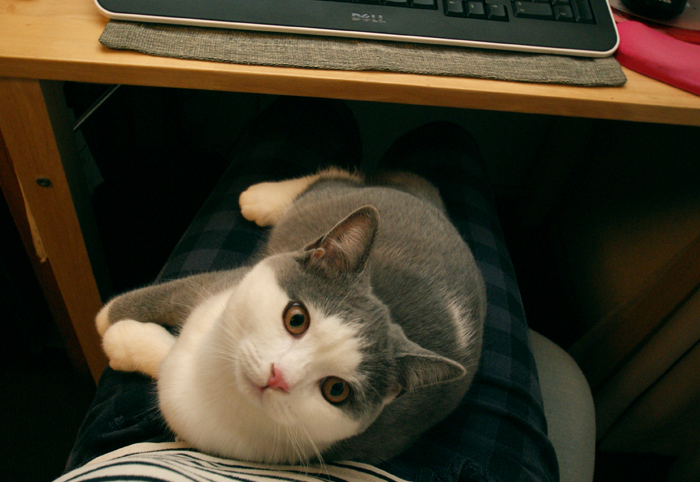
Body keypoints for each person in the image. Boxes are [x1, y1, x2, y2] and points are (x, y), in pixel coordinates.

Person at [58, 97, 559, 482]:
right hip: (412, 233)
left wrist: (163, 354)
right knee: (442, 145)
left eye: (335, 389)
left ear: (387, 397)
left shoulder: (344, 441)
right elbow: (223, 288)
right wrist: (131, 309)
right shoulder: (309, 282)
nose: (281, 375)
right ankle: (332, 183)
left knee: (305, 121)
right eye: (296, 321)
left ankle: (364, 152)